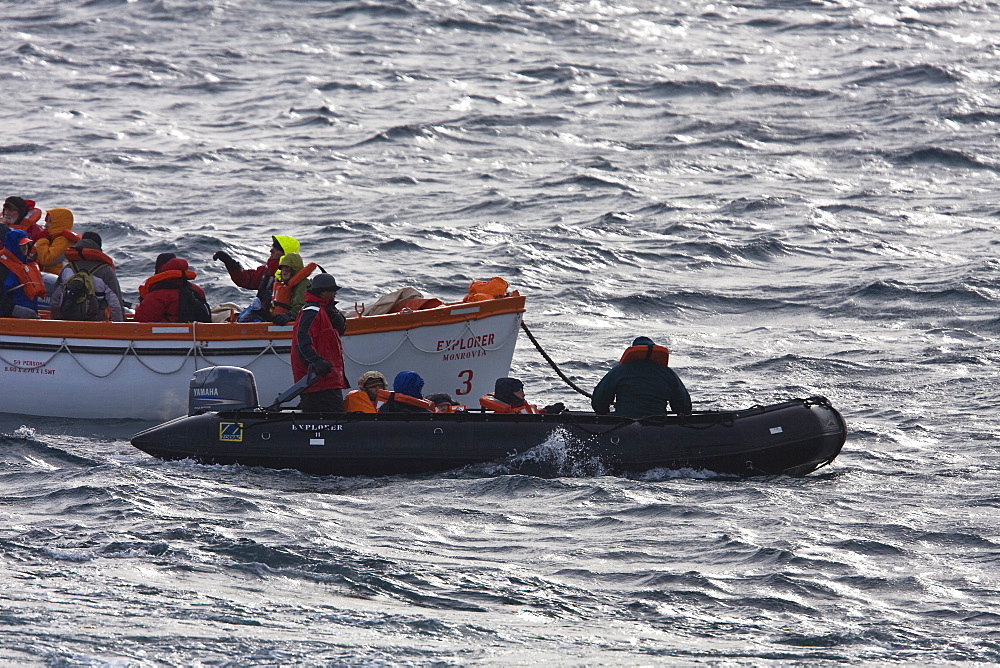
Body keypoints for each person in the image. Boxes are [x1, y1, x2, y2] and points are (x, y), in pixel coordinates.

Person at [591, 336, 692, 418]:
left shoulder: (618, 371)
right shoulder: (668, 374)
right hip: (658, 426)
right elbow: (684, 406)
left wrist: (604, 417)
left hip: (623, 424)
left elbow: (599, 401)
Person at [291, 273, 347, 413]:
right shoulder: (312, 311)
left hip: (326, 379)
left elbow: (341, 329)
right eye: (332, 290)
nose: (335, 294)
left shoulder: (325, 311)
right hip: (318, 381)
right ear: (323, 293)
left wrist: (334, 313)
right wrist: (317, 362)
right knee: (333, 419)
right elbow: (302, 341)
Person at [213, 235, 299, 321]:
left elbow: (301, 304)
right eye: (273, 246)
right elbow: (245, 279)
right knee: (225, 308)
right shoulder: (266, 271)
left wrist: (289, 316)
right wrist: (230, 263)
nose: (271, 250)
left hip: (276, 322)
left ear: (286, 254)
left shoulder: (295, 278)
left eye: (276, 248)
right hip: (260, 316)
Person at [50, 238, 124, 321]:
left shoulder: (68, 268)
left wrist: (56, 319)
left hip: (68, 318)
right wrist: (118, 324)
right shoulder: (106, 271)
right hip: (96, 322)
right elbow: (115, 303)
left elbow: (55, 299)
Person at [134, 256, 210, 323]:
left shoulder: (157, 296)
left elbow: (142, 320)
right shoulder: (197, 290)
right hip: (198, 331)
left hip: (166, 334)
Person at [0, 229, 45, 318]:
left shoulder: (28, 263)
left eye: (26, 244)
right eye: (21, 245)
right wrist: (14, 310)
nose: (25, 248)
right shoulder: (2, 267)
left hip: (30, 316)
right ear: (12, 245)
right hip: (10, 318)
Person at [270, 252, 315, 326]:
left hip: (298, 324)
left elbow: (302, 306)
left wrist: (289, 316)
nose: (285, 270)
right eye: (283, 267)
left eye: (288, 267)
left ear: (295, 269)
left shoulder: (303, 284)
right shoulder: (285, 286)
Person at [33, 208, 82, 275]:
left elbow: (47, 260)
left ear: (59, 223)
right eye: (46, 222)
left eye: (49, 222)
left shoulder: (63, 240)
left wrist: (42, 240)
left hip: (58, 279)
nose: (45, 225)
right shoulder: (54, 238)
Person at [479, 377, 565, 414]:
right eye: (518, 391)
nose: (523, 394)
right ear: (508, 393)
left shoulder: (520, 407)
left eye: (522, 390)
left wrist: (548, 411)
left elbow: (535, 415)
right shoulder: (503, 415)